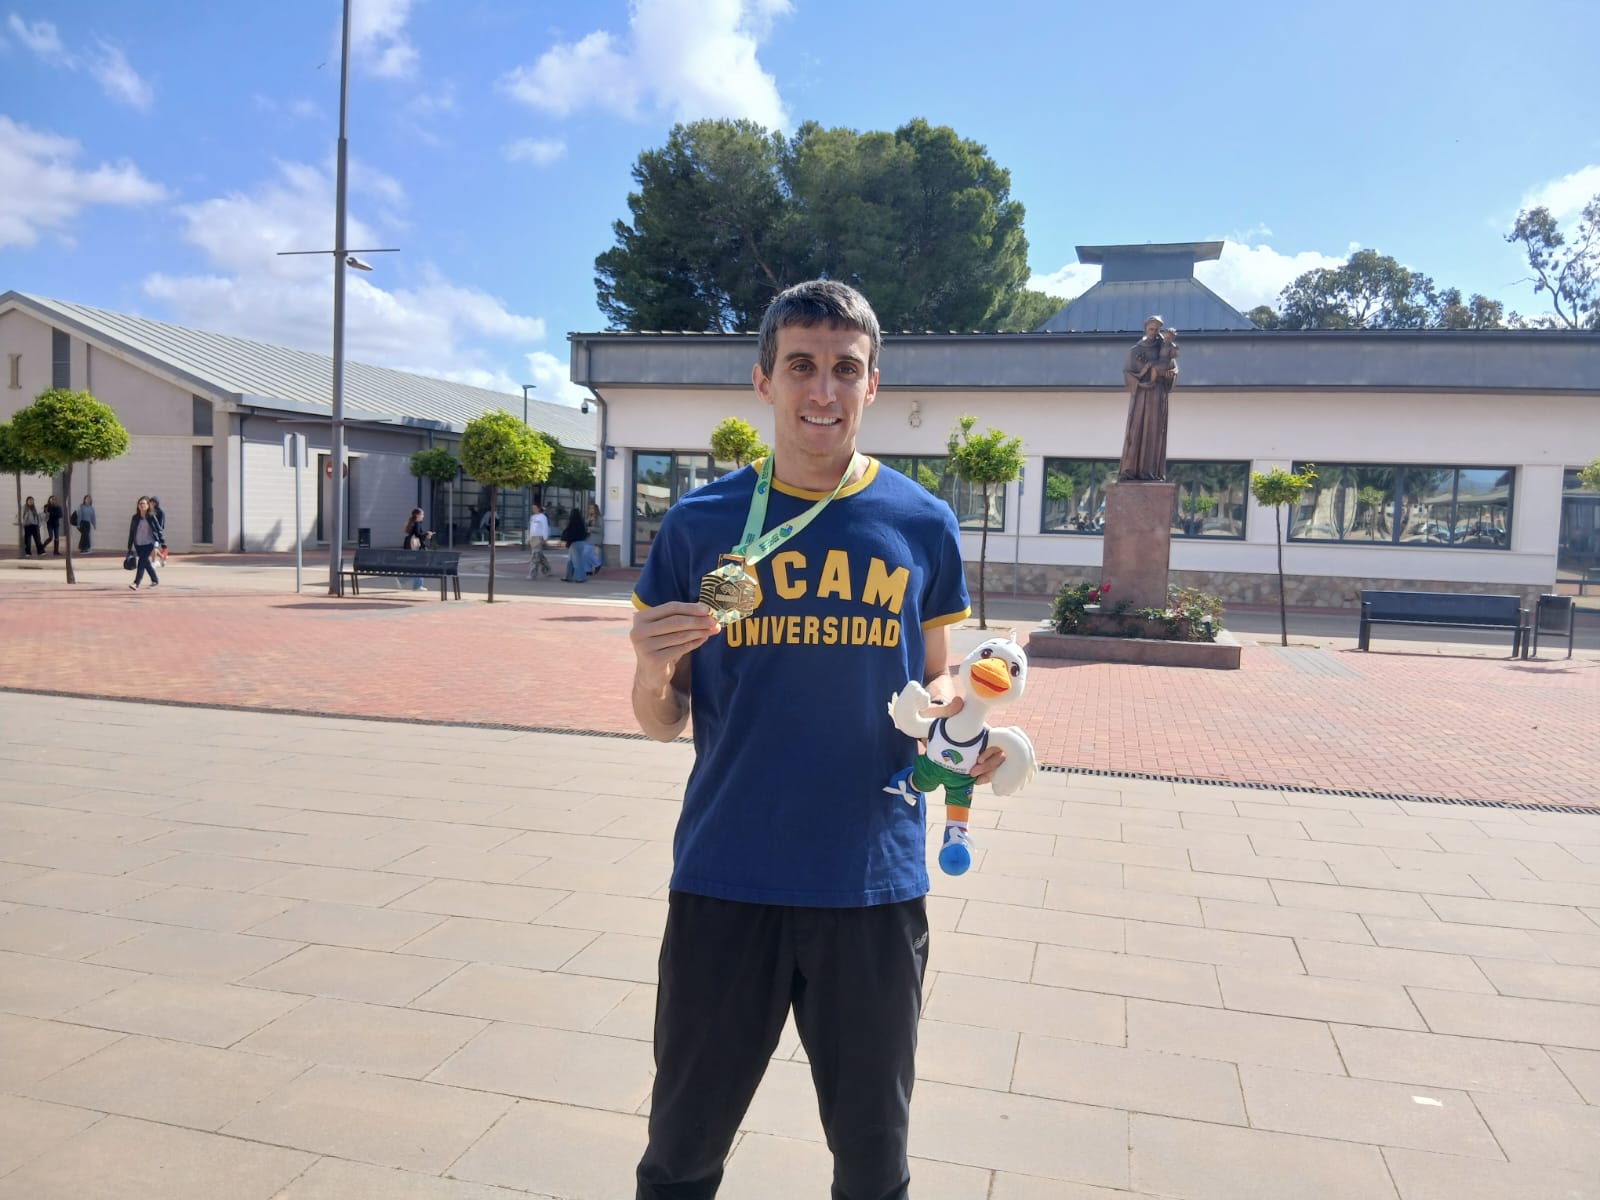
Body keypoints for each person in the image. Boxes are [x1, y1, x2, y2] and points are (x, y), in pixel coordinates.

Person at [628, 279, 997, 1199]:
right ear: (764, 381)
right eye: (802, 366)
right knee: (680, 1154)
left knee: (875, 1164)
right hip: (725, 876)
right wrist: (647, 670)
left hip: (870, 884)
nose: (822, 391)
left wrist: (960, 724)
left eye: (844, 368)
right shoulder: (699, 524)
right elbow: (662, 719)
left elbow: (938, 668)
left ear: (873, 385)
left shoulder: (920, 523)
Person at [1118, 314, 1178, 482]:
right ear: (1146, 328)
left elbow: (1173, 369)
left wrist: (1168, 375)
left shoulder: (1165, 347)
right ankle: (1130, 470)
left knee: (1154, 432)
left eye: (1157, 329)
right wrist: (1139, 384)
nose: (1154, 332)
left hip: (1158, 395)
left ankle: (1150, 471)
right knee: (1136, 430)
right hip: (1141, 396)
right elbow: (1127, 372)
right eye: (1151, 329)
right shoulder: (1136, 350)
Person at [126, 496, 161, 590]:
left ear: (148, 505)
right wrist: (129, 545)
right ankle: (155, 580)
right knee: (146, 562)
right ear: (138, 505)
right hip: (138, 543)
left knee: (141, 562)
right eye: (140, 503)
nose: (142, 505)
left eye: (144, 503)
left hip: (149, 543)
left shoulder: (151, 516)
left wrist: (162, 543)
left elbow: (158, 529)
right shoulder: (135, 517)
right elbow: (132, 531)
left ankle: (136, 583)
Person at [403, 507, 431, 591]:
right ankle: (416, 585)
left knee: (417, 566)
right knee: (421, 566)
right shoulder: (417, 523)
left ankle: (404, 580)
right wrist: (427, 534)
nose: (423, 516)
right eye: (422, 514)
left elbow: (415, 535)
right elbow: (419, 536)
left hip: (412, 548)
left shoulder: (412, 523)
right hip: (418, 548)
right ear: (417, 515)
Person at [561, 506, 590, 583]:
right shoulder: (581, 522)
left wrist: (567, 542)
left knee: (576, 562)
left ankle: (580, 577)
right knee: (570, 561)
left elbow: (571, 535)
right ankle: (568, 576)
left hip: (574, 544)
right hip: (581, 543)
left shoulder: (572, 523)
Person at [526, 502, 551, 578]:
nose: (533, 509)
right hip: (533, 538)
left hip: (539, 537)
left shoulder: (542, 517)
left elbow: (545, 527)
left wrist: (545, 538)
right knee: (539, 555)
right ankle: (547, 569)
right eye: (532, 508)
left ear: (538, 508)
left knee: (535, 556)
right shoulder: (532, 517)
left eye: (534, 507)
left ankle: (532, 573)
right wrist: (529, 538)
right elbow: (530, 529)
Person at [584, 502, 604, 577]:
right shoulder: (588, 517)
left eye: (592, 508)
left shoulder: (599, 518)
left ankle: (598, 563)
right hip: (587, 538)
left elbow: (600, 529)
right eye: (589, 508)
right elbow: (585, 526)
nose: (590, 510)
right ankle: (587, 570)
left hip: (595, 538)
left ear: (596, 509)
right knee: (584, 554)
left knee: (586, 552)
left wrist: (590, 528)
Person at [148, 496, 168, 564]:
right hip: (148, 533)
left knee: (154, 547)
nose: (152, 504)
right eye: (151, 502)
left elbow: (161, 524)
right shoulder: (148, 511)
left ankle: (153, 563)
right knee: (151, 548)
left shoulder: (160, 512)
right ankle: (162, 557)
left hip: (156, 533)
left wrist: (159, 531)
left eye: (154, 502)